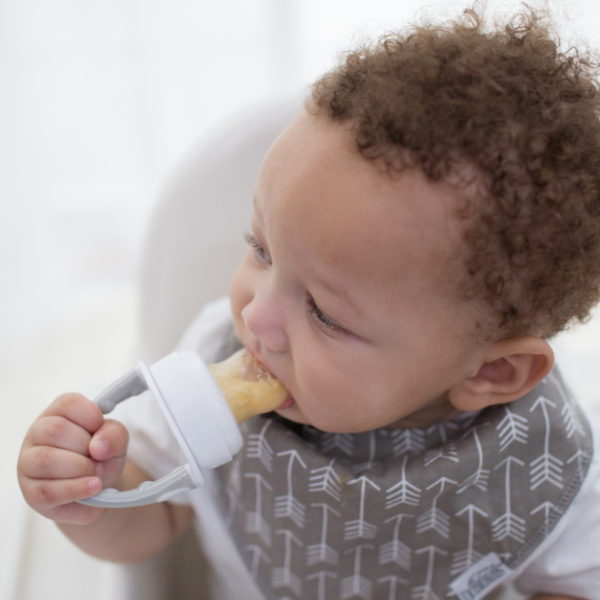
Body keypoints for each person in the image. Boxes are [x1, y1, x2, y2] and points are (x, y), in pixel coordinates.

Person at [17, 6, 600, 600]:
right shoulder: (213, 349)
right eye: (261, 250)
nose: (256, 319)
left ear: (491, 371)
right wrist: (94, 493)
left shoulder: (544, 464)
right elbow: (155, 517)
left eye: (323, 312)